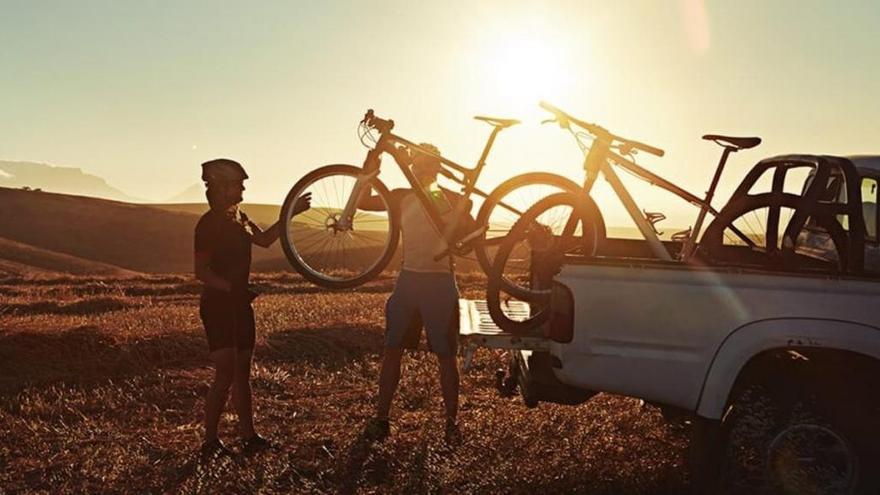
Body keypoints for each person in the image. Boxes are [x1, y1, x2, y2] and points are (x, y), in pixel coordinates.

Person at [193, 158, 310, 455]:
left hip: (240, 304)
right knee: (225, 374)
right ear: (221, 188)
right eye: (237, 183)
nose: (243, 187)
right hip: (219, 306)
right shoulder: (208, 224)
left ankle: (248, 436)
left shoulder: (241, 217)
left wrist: (290, 213)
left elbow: (266, 240)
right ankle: (210, 441)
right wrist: (232, 289)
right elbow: (201, 271)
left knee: (242, 372)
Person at [359, 143, 471, 443]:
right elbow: (363, 201)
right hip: (409, 280)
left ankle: (451, 423)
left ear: (437, 166)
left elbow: (468, 232)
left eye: (428, 164)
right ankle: (381, 419)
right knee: (392, 349)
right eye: (418, 164)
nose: (422, 169)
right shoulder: (400, 196)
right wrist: (372, 163)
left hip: (440, 283)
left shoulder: (450, 197)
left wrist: (436, 192)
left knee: (446, 356)